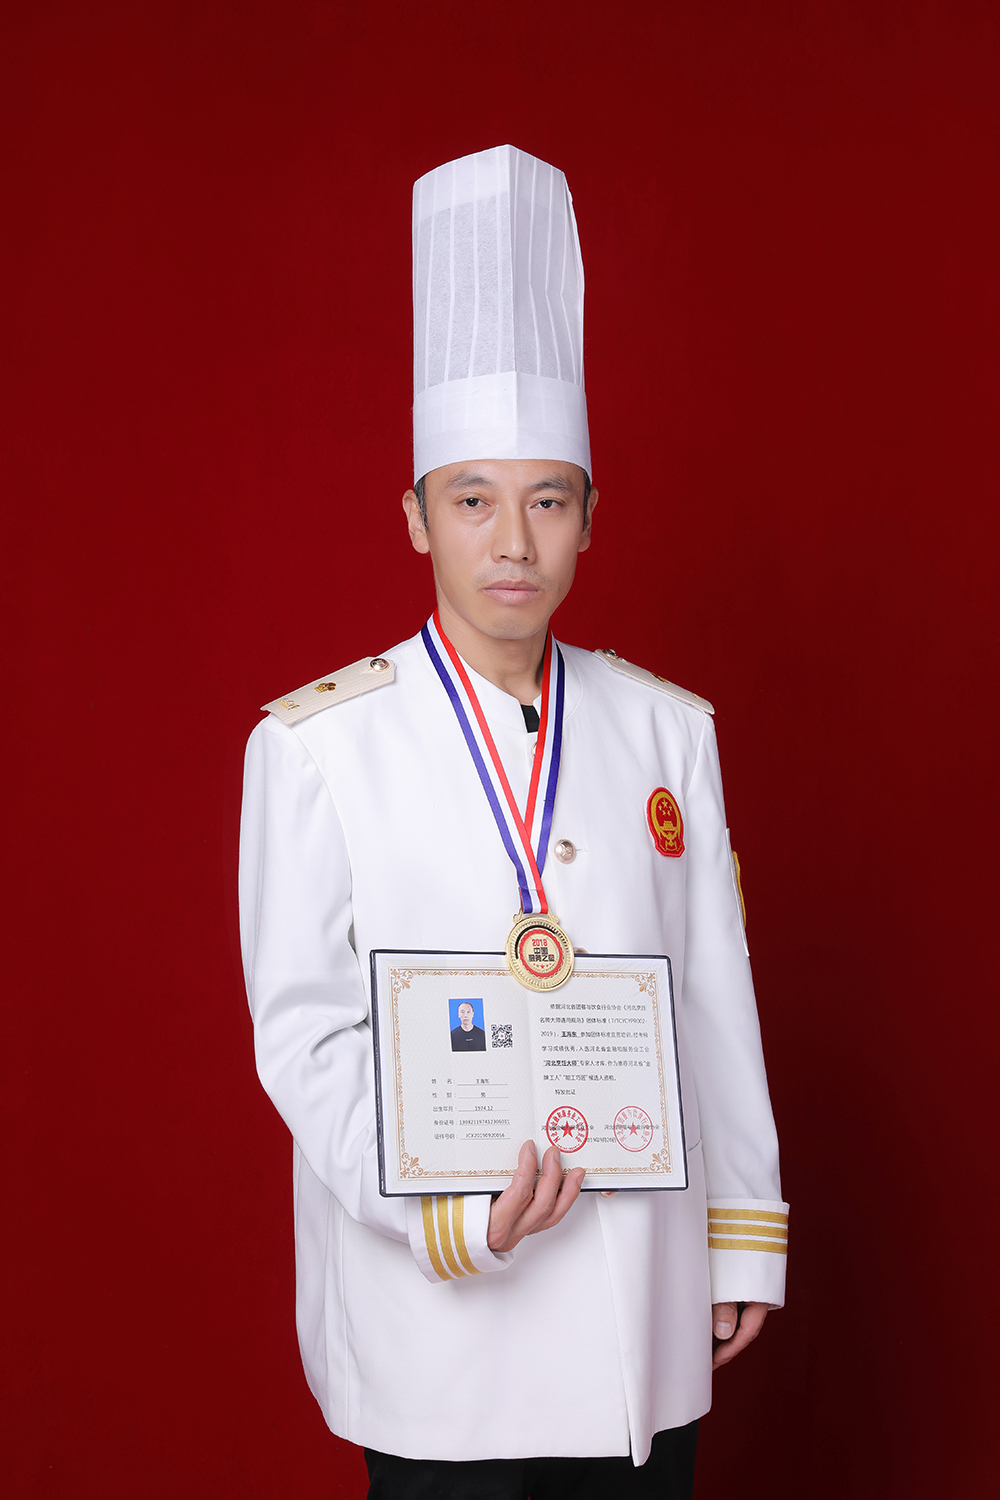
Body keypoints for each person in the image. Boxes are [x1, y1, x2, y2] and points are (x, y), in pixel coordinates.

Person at [239, 145, 788, 1500]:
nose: (511, 543)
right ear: (415, 517)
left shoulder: (667, 732)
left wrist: (741, 1230)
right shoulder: (317, 749)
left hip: (634, 1304)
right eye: (473, 500)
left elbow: (712, 993)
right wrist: (442, 1212)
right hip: (440, 1320)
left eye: (547, 501)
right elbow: (304, 1035)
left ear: (590, 520)